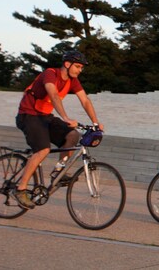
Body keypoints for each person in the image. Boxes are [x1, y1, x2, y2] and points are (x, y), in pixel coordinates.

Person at [13, 50, 103, 209]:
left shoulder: (73, 81)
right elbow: (53, 94)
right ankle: (20, 189)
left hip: (45, 116)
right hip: (28, 115)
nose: (79, 70)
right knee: (43, 150)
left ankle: (58, 171)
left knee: (73, 135)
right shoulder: (50, 73)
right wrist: (66, 118)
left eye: (82, 67)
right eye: (77, 66)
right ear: (67, 64)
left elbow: (85, 100)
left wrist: (95, 122)